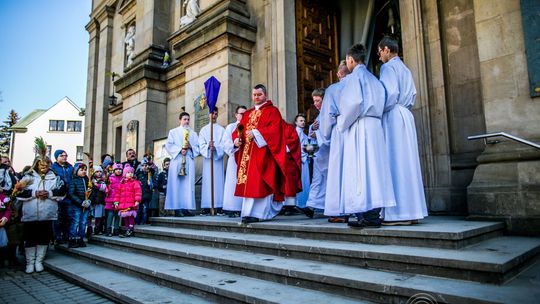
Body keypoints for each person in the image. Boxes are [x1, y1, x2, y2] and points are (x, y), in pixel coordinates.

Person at [337, 44, 396, 228]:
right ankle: (373, 214)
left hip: (361, 125)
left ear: (351, 59)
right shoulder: (374, 78)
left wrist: (341, 123)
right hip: (375, 125)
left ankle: (365, 213)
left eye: (347, 60)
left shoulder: (355, 77)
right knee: (375, 170)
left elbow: (353, 104)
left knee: (361, 170)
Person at [378, 36, 428, 225]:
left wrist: (375, 108)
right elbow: (412, 93)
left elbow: (389, 95)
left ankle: (398, 213)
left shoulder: (388, 67)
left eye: (379, 51)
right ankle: (412, 210)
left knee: (395, 162)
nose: (379, 56)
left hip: (393, 116)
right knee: (408, 163)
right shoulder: (405, 69)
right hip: (406, 115)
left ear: (386, 50)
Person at [233, 84, 287, 224]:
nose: (256, 97)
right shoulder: (248, 113)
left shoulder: (272, 111)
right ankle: (247, 212)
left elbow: (275, 131)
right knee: (249, 183)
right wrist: (237, 139)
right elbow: (239, 129)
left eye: (259, 95)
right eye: (254, 95)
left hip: (263, 154)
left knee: (259, 183)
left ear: (265, 95)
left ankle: (260, 213)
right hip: (247, 154)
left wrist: (257, 133)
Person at [17, 138, 66, 273]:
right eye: (41, 164)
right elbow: (18, 192)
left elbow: (62, 192)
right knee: (30, 238)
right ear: (36, 164)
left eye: (47, 164)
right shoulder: (28, 177)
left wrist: (49, 193)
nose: (44, 167)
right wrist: (34, 193)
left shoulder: (54, 177)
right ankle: (29, 262)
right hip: (31, 213)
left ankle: (39, 261)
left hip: (47, 214)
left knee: (44, 237)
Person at [318, 61, 351, 223]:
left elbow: (326, 117)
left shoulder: (333, 89)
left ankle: (339, 210)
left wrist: (326, 136)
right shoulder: (358, 85)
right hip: (358, 129)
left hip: (339, 130)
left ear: (338, 73)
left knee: (338, 169)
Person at [164, 112, 199, 216]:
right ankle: (177, 208)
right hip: (177, 160)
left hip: (188, 160)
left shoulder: (193, 134)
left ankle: (186, 208)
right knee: (177, 185)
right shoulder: (173, 132)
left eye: (188, 119)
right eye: (184, 119)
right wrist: (180, 150)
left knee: (187, 186)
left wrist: (191, 147)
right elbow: (168, 145)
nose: (187, 121)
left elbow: (198, 147)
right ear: (180, 120)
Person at [199, 109, 226, 215]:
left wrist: (215, 147)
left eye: (215, 114)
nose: (213, 116)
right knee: (207, 183)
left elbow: (224, 145)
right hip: (208, 161)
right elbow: (201, 145)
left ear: (217, 115)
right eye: (211, 113)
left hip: (217, 161)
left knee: (218, 183)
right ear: (208, 114)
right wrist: (207, 147)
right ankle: (206, 207)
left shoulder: (222, 130)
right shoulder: (204, 130)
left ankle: (219, 206)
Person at [305, 88, 328, 214]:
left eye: (318, 101)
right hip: (319, 152)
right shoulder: (319, 115)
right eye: (314, 101)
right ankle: (311, 205)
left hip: (328, 152)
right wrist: (311, 129)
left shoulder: (330, 112)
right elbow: (314, 132)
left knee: (326, 180)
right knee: (317, 179)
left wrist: (317, 135)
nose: (315, 104)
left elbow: (332, 131)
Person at [222, 106, 247, 217]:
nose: (243, 115)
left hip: (246, 159)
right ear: (236, 114)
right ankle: (231, 208)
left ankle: (244, 208)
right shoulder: (231, 127)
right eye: (241, 113)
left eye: (245, 114)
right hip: (234, 157)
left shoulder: (249, 126)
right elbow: (225, 142)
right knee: (233, 183)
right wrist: (234, 145)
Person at [51, 149, 73, 244]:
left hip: (68, 196)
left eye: (65, 155)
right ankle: (57, 236)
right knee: (58, 217)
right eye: (61, 155)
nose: (64, 157)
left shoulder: (70, 167)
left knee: (68, 216)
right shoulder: (53, 167)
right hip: (58, 196)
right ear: (57, 157)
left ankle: (66, 235)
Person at [67, 163, 91, 248]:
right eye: (81, 170)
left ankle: (81, 238)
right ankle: (72, 239)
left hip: (86, 205)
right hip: (77, 205)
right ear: (76, 171)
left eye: (85, 170)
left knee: (83, 222)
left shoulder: (88, 180)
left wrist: (89, 200)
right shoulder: (74, 180)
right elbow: (71, 193)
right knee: (75, 222)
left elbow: (91, 191)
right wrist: (80, 202)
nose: (84, 171)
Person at [114, 164, 141, 237]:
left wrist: (137, 200)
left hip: (131, 203)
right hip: (123, 204)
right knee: (125, 217)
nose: (130, 174)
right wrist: (116, 202)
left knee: (130, 216)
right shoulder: (121, 184)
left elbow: (138, 192)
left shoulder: (135, 182)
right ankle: (127, 229)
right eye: (128, 172)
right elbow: (117, 194)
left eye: (131, 172)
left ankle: (131, 229)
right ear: (125, 174)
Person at [282, 120, 302, 216]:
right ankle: (280, 205)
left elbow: (293, 141)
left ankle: (290, 205)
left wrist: (279, 147)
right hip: (276, 161)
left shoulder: (289, 128)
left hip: (288, 160)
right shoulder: (271, 127)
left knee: (288, 183)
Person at [293, 114, 311, 209]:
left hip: (304, 158)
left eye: (304, 120)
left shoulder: (303, 133)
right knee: (301, 180)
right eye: (300, 120)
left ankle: (303, 202)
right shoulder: (296, 132)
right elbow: (297, 146)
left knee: (305, 180)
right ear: (296, 122)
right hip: (300, 159)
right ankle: (299, 203)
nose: (303, 122)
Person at [135, 157, 157, 224]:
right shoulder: (138, 174)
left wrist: (151, 184)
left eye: (146, 165)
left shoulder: (150, 174)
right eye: (143, 165)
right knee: (138, 210)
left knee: (145, 210)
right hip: (139, 196)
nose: (144, 167)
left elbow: (155, 183)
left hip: (147, 196)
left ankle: (143, 222)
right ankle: (137, 222)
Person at [105, 163, 123, 236]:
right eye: (117, 169)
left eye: (120, 169)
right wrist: (108, 189)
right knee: (110, 215)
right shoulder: (110, 178)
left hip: (119, 199)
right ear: (114, 170)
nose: (118, 171)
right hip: (111, 200)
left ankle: (116, 229)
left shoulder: (123, 178)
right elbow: (107, 188)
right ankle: (108, 230)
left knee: (117, 215)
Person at [90, 166, 107, 234]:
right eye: (97, 172)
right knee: (91, 215)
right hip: (93, 201)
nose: (99, 173)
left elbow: (104, 189)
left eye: (100, 171)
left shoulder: (103, 181)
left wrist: (97, 185)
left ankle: (98, 229)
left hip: (100, 201)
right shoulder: (91, 181)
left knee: (99, 216)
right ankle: (90, 228)